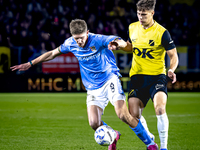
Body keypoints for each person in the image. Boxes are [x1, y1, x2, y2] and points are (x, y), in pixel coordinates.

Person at [10, 19, 158, 150]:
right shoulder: (70, 43)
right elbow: (52, 53)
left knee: (122, 115)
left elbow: (121, 42)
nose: (79, 42)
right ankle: (113, 135)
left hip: (110, 80)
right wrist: (30, 63)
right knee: (94, 123)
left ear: (87, 32)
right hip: (93, 88)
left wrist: (118, 44)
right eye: (76, 39)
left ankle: (150, 144)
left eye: (81, 38)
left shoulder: (98, 39)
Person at [108, 0, 179, 150]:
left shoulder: (162, 32)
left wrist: (171, 70)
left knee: (159, 108)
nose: (140, 17)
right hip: (137, 77)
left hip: (157, 76)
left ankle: (164, 147)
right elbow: (130, 46)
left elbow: (173, 56)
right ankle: (149, 136)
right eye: (139, 14)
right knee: (134, 116)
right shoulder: (132, 27)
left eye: (144, 14)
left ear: (152, 13)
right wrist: (119, 45)